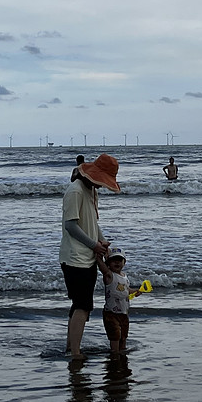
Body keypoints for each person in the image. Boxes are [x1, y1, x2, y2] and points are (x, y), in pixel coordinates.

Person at [60, 153, 120, 358]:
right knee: (83, 306)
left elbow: (91, 224)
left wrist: (101, 241)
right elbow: (71, 226)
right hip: (75, 258)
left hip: (87, 258)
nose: (103, 185)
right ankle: (75, 353)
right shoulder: (75, 191)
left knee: (80, 305)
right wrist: (93, 245)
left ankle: (70, 346)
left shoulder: (91, 190)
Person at [96, 247, 132, 354]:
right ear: (108, 263)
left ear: (124, 263)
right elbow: (102, 267)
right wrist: (99, 257)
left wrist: (135, 291)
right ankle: (114, 352)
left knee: (124, 335)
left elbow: (126, 289)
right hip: (111, 313)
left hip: (124, 313)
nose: (117, 262)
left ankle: (122, 350)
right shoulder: (109, 275)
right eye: (113, 260)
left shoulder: (124, 277)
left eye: (119, 260)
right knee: (115, 335)